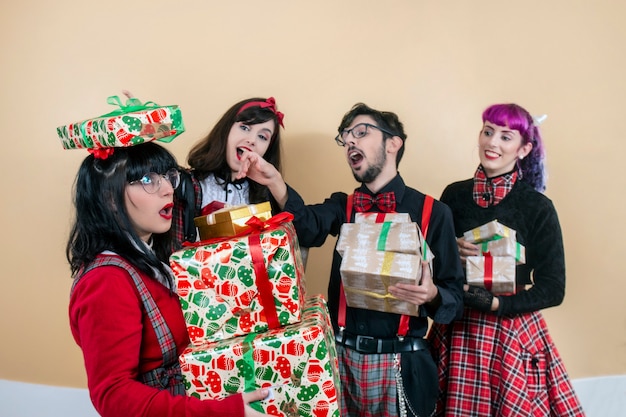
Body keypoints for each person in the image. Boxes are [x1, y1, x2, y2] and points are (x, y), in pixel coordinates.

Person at [236, 103, 465, 417]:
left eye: (361, 132)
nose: (350, 142)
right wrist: (274, 181)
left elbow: (455, 297)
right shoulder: (343, 206)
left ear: (393, 143)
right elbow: (306, 227)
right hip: (339, 359)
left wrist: (433, 295)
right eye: (345, 138)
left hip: (403, 363)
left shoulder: (434, 212)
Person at [67, 142, 271, 417]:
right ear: (110, 199)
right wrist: (225, 412)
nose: (167, 189)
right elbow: (113, 396)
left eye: (166, 176)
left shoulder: (151, 260)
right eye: (148, 180)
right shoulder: (106, 280)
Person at [428, 103, 585, 416]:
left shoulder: (537, 207)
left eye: (505, 137)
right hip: (459, 330)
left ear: (524, 149)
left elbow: (554, 287)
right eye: (488, 132)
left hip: (511, 332)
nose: (492, 143)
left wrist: (499, 305)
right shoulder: (453, 196)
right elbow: (429, 266)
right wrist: (448, 254)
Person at [172, 97, 284, 246]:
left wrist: (275, 181)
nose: (252, 140)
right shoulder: (188, 185)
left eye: (262, 136)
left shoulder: (269, 196)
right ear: (226, 130)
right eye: (245, 127)